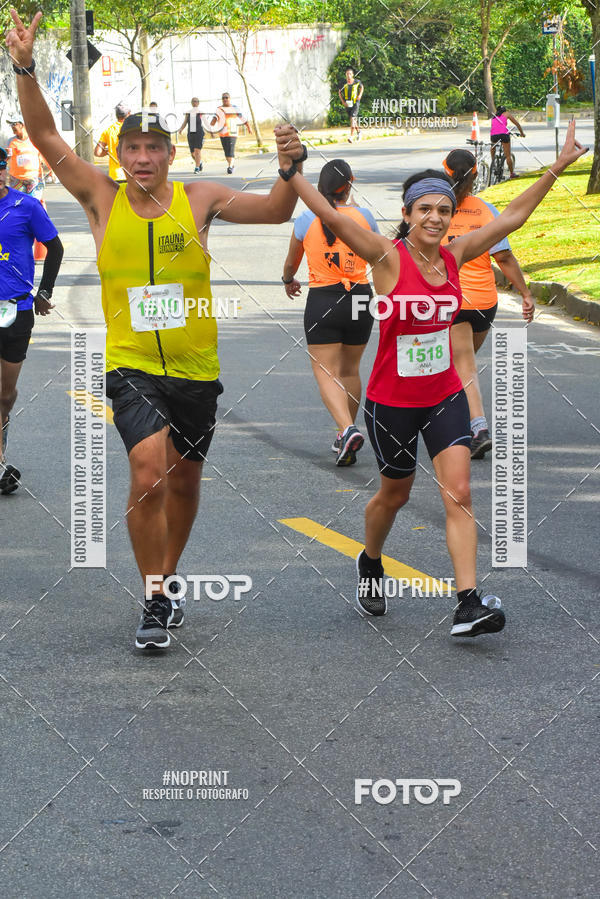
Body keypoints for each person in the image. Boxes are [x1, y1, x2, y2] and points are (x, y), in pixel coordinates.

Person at [7, 9, 306, 650]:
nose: (142, 157)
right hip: (131, 363)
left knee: (185, 479)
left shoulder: (201, 198)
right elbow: (44, 134)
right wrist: (25, 67)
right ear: (120, 154)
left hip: (196, 367)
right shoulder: (101, 198)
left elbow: (279, 211)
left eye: (153, 147)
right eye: (131, 147)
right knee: (148, 472)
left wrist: (289, 166)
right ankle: (151, 597)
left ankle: (170, 578)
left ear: (171, 154)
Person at [276, 120, 586, 636]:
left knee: (460, 491)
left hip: (444, 396)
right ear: (408, 215)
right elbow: (327, 211)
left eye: (443, 210)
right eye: (426, 209)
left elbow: (512, 217)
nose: (436, 218)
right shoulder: (385, 256)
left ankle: (468, 601)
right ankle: (370, 560)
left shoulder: (457, 254)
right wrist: (292, 172)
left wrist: (556, 166)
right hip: (392, 401)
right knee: (394, 494)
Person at [282, 159, 378, 466]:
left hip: (324, 298)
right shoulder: (364, 216)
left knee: (326, 371)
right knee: (350, 370)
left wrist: (288, 280)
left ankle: (347, 429)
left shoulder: (306, 218)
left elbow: (291, 263)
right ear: (349, 184)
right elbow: (379, 255)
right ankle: (344, 434)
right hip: (361, 297)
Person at [441, 148, 535, 459]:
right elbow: (504, 257)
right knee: (458, 363)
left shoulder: (436, 209)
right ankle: (457, 420)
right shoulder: (486, 210)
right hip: (483, 302)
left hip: (449, 300)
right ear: (476, 174)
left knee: (461, 364)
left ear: (445, 171)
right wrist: (525, 293)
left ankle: (477, 426)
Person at [0, 145, 64, 494]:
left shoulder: (25, 207)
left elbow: (55, 247)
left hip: (17, 310)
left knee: (5, 395)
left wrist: (44, 293)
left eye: (0, 167)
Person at [212, 93, 252, 174]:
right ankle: (231, 165)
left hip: (232, 132)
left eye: (226, 97)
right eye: (223, 98)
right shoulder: (219, 109)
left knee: (230, 150)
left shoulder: (234, 108)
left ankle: (230, 166)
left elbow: (242, 118)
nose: (225, 99)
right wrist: (211, 130)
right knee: (226, 152)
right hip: (222, 134)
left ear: (229, 98)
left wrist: (248, 127)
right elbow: (214, 120)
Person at [6, 115, 44, 198]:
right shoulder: (11, 141)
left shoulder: (34, 139)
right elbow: (7, 159)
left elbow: (42, 157)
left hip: (34, 178)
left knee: (34, 203)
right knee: (18, 203)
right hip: (17, 179)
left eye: (14, 124)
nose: (12, 127)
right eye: (11, 125)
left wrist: (52, 171)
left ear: (21, 125)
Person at [94, 103, 130, 181]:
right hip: (131, 175)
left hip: (115, 176)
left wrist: (109, 151)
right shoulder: (131, 130)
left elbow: (98, 153)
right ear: (129, 114)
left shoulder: (108, 131)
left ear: (116, 115)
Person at [490, 105, 525, 179]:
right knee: (508, 155)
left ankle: (493, 162)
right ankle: (512, 174)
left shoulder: (494, 117)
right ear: (505, 111)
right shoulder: (507, 114)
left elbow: (494, 127)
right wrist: (522, 133)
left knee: (493, 146)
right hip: (504, 135)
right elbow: (517, 124)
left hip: (493, 135)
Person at [178, 97, 204, 174]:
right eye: (193, 101)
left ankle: (197, 168)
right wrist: (181, 129)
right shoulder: (188, 113)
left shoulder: (200, 112)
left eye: (196, 101)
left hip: (199, 133)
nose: (194, 102)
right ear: (191, 103)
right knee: (193, 153)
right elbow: (185, 122)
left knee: (197, 151)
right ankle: (200, 162)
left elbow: (205, 122)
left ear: (198, 103)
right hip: (190, 134)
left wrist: (211, 130)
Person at [338, 68, 363, 143]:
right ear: (345, 75)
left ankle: (351, 136)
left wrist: (360, 95)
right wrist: (343, 102)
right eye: (347, 74)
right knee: (353, 119)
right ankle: (359, 132)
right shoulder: (343, 83)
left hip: (355, 102)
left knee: (353, 118)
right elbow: (339, 93)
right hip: (347, 103)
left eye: (350, 74)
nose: (348, 75)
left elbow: (362, 87)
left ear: (352, 75)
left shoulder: (356, 82)